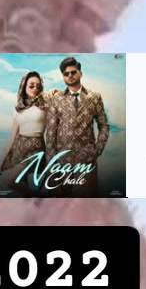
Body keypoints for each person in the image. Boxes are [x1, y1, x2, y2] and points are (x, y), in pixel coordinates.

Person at [43, 56, 110, 197]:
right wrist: (51, 163)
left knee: (89, 201)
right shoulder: (57, 99)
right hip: (62, 161)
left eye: (73, 72)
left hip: (86, 160)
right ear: (63, 77)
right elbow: (50, 133)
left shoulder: (94, 97)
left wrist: (96, 150)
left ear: (80, 73)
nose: (70, 76)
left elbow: (103, 125)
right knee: (61, 203)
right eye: (66, 74)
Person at [0, 69, 48, 189]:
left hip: (35, 147)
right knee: (22, 183)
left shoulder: (45, 105)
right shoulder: (18, 108)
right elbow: (13, 135)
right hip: (19, 146)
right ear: (24, 87)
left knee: (11, 180)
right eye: (31, 86)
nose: (35, 88)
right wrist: (3, 159)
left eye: (38, 86)